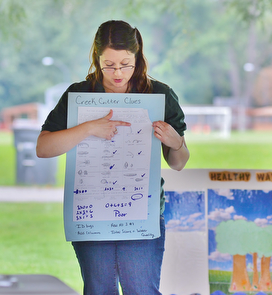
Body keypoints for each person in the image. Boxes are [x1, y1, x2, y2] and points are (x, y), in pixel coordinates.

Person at [36, 20, 189, 294]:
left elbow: (178, 163)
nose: (117, 73)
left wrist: (175, 142)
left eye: (125, 64)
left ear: (138, 57)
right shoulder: (79, 94)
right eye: (108, 65)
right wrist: (88, 128)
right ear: (96, 58)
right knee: (98, 289)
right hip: (91, 209)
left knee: (142, 289)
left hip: (142, 211)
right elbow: (43, 148)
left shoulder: (159, 94)